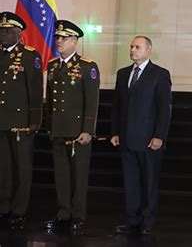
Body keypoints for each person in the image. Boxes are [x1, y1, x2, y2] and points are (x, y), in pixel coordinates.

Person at [110, 36, 172, 235]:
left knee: (148, 182)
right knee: (131, 183)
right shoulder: (123, 74)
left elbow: (164, 109)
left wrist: (159, 135)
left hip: (148, 140)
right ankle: (132, 220)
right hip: (127, 139)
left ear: (148, 50)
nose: (133, 50)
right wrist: (115, 132)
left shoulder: (160, 74)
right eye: (131, 46)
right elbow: (117, 107)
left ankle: (147, 220)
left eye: (137, 47)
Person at [44, 20, 100, 233]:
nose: (59, 41)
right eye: (57, 37)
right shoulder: (52, 66)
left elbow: (92, 100)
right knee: (61, 175)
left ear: (75, 41)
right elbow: (50, 99)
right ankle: (63, 213)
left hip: (78, 131)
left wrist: (87, 129)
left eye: (64, 38)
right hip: (58, 128)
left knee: (78, 176)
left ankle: (78, 215)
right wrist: (49, 126)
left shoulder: (87, 66)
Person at [0, 12, 43, 230]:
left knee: (22, 168)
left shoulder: (29, 55)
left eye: (7, 30)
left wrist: (35, 120)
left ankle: (19, 210)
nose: (2, 34)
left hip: (22, 121)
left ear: (18, 33)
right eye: (1, 30)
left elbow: (35, 90)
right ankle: (4, 207)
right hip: (2, 121)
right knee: (4, 167)